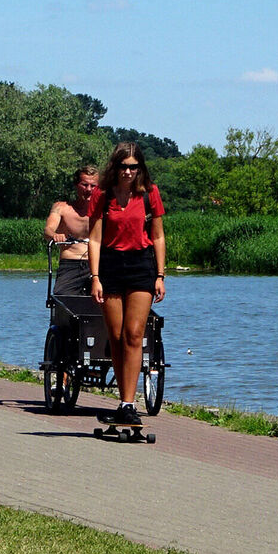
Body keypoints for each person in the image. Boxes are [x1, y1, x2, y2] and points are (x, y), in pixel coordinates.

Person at [87, 141, 166, 427]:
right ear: (115, 166)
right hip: (110, 265)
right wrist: (94, 277)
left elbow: (157, 235)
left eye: (134, 167)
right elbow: (94, 238)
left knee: (134, 335)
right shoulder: (102, 195)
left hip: (141, 265)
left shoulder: (150, 194)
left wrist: (160, 275)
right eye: (123, 166)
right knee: (117, 337)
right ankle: (124, 400)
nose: (128, 172)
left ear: (140, 168)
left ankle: (129, 404)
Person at [43, 164, 100, 297]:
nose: (89, 190)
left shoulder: (105, 210)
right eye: (84, 185)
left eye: (93, 186)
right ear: (76, 185)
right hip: (71, 263)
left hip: (98, 263)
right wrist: (55, 235)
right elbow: (48, 230)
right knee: (62, 296)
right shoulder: (61, 208)